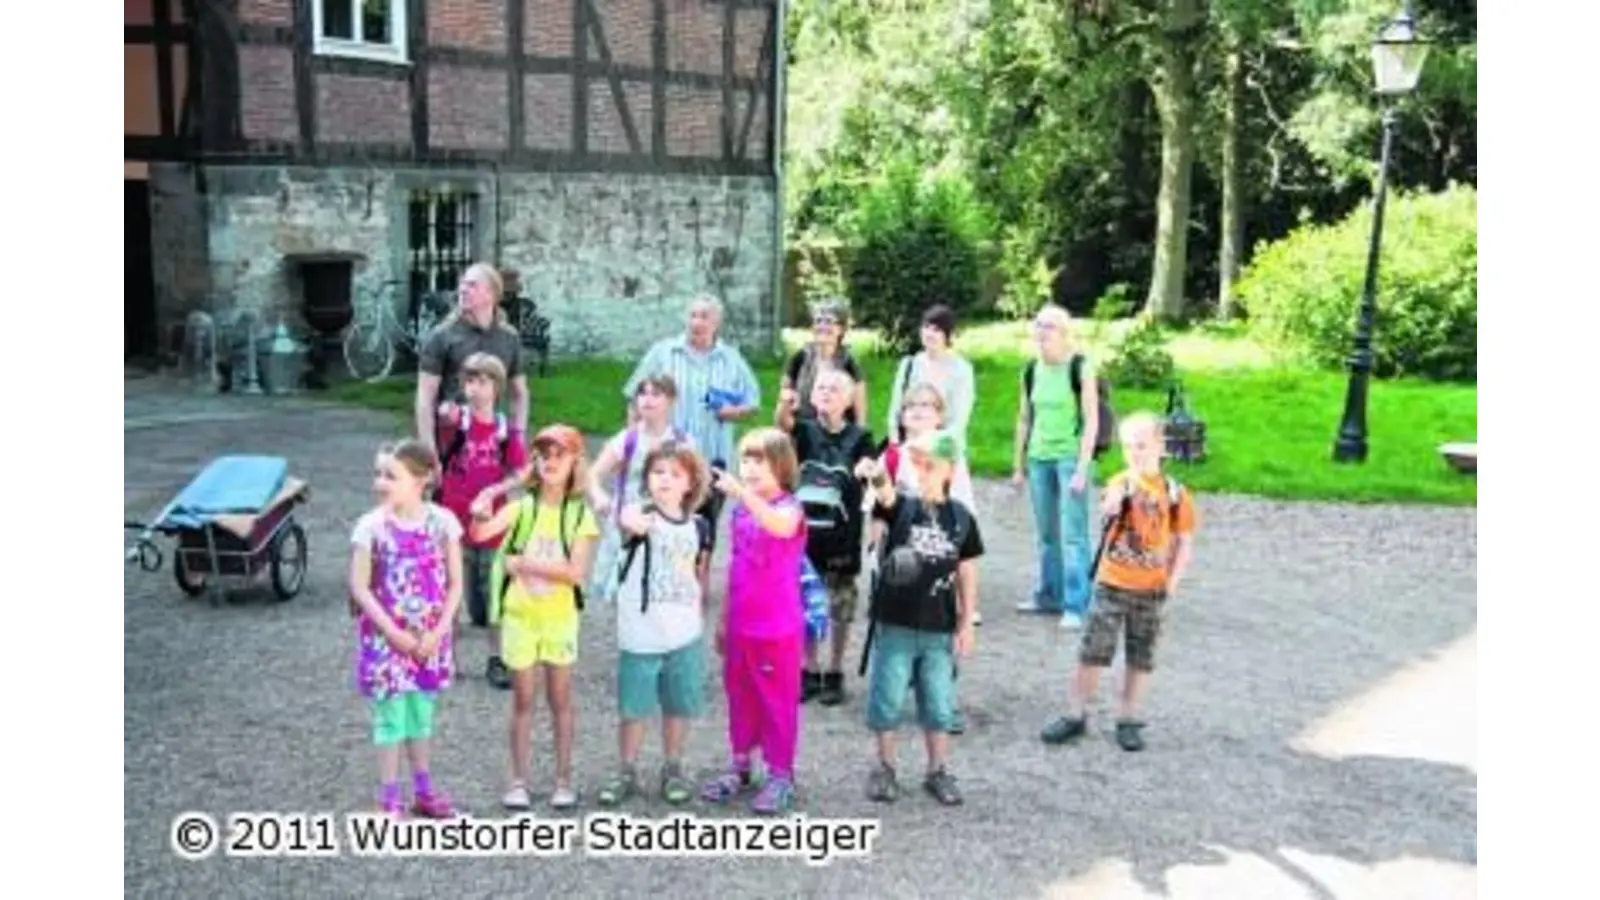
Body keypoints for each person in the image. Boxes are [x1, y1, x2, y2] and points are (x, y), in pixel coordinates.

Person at [1039, 412, 1198, 753]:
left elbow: (1184, 540)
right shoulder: (1121, 482)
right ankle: (1075, 714)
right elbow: (1110, 504)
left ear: (1160, 446)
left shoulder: (1175, 494)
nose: (1135, 453)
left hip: (1152, 588)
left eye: (1141, 445)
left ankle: (1128, 717)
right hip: (1112, 583)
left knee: (1141, 656)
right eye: (1128, 447)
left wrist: (1173, 581)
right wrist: (1111, 504)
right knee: (1093, 652)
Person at [470, 425, 600, 810]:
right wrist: (478, 514)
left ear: (575, 461)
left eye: (559, 454)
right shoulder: (520, 507)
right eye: (543, 455)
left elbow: (575, 573)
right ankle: (518, 780)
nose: (550, 461)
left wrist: (523, 562)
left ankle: (563, 779)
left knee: (561, 700)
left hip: (559, 619)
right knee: (524, 700)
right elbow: (480, 535)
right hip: (520, 618)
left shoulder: (580, 516)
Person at [856, 430, 983, 807]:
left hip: (938, 628)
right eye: (918, 463)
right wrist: (874, 473)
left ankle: (937, 770)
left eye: (932, 464)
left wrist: (965, 623)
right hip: (895, 624)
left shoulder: (961, 518)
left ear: (950, 469)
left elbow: (967, 572)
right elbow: (884, 492)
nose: (923, 469)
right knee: (887, 699)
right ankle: (884, 766)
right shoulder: (902, 506)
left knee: (939, 704)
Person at [347, 440, 464, 819]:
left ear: (422, 479)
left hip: (429, 641)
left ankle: (424, 791)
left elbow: (455, 585)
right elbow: (360, 587)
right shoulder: (371, 528)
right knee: (390, 717)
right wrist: (393, 634)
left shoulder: (443, 523)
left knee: (420, 715)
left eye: (390, 475)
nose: (380, 482)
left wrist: (439, 633)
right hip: (387, 643)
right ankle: (389, 797)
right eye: (378, 474)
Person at [596, 441, 714, 807]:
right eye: (658, 472)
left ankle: (673, 766)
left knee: (679, 706)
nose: (664, 480)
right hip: (641, 635)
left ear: (690, 483)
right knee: (634, 709)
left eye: (675, 474)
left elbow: (700, 574)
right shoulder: (640, 514)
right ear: (646, 478)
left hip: (684, 634)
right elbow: (627, 521)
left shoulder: (699, 526)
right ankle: (626, 769)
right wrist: (628, 520)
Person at [699, 428, 808, 815]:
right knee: (740, 697)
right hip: (742, 624)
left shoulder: (789, 507)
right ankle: (740, 764)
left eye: (759, 460)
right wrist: (724, 619)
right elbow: (736, 567)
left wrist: (741, 492)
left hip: (776, 628)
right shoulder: (743, 510)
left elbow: (780, 527)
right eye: (745, 460)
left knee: (776, 702)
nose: (750, 468)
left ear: (781, 465)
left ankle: (781, 774)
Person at [622, 295, 762, 580]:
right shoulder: (663, 353)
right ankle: (660, 576)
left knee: (704, 524)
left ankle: (697, 581)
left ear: (716, 323)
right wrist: (633, 445)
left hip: (712, 457)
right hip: (667, 457)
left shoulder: (731, 359)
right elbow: (634, 399)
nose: (697, 322)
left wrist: (734, 411)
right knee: (664, 517)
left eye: (704, 317)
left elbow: (754, 400)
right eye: (693, 315)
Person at [778, 367, 875, 706]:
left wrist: (869, 471)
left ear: (849, 400)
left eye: (834, 389)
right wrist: (784, 404)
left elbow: (872, 475)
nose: (825, 393)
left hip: (843, 538)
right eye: (820, 387)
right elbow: (783, 428)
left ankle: (834, 670)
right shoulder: (804, 431)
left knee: (840, 608)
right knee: (806, 602)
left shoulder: (861, 437)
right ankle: (809, 667)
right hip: (805, 538)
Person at [434, 352, 529, 688]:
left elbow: (521, 472)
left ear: (497, 388)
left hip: (491, 527)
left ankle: (497, 659)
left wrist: (494, 491)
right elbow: (444, 416)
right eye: (469, 381)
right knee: (450, 593)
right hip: (452, 523)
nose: (475, 388)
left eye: (483, 382)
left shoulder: (504, 430)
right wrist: (445, 410)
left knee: (495, 596)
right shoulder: (457, 422)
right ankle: (448, 658)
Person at [1011, 305, 1102, 630]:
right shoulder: (1030, 370)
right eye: (1038, 326)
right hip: (1038, 458)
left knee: (1074, 535)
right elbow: (1024, 419)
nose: (1041, 332)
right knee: (1047, 533)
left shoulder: (1080, 368)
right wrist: (1017, 465)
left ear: (1064, 334)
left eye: (1048, 327)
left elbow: (1092, 420)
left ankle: (1076, 604)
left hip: (1069, 457)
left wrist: (1081, 467)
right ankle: (1049, 594)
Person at [587, 374, 696, 603]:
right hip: (625, 524)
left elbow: (693, 486)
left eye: (656, 394)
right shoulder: (628, 439)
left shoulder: (683, 442)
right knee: (625, 590)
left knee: (657, 590)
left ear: (671, 401)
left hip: (664, 526)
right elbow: (593, 474)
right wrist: (599, 495)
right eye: (643, 393)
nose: (648, 399)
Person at [416, 263, 529, 461]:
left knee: (493, 492)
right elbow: (425, 397)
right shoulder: (441, 336)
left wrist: (516, 438)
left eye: (472, 285)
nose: (463, 289)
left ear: (491, 294)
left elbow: (519, 394)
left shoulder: (509, 338)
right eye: (462, 284)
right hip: (451, 442)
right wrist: (429, 449)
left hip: (492, 443)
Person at [884, 305, 976, 456]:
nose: (929, 334)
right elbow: (895, 410)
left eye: (937, 330)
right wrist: (896, 446)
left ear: (948, 335)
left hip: (945, 450)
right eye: (926, 327)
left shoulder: (961, 369)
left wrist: (934, 446)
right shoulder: (909, 364)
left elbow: (959, 418)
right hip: (908, 448)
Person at [777, 297, 868, 426]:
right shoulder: (800, 358)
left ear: (841, 329)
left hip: (838, 433)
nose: (822, 326)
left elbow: (860, 414)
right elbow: (783, 400)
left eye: (829, 321)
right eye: (818, 321)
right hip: (802, 430)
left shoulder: (849, 363)